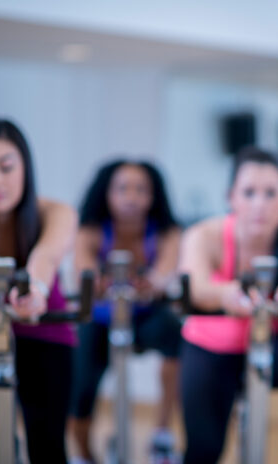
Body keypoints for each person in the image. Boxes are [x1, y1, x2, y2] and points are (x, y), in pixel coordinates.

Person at [179, 146, 278, 464]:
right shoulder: (203, 236)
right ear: (231, 197)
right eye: (249, 193)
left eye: (270, 193)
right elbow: (197, 286)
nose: (260, 204)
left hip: (277, 348)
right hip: (212, 349)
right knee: (203, 448)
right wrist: (227, 294)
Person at [0, 118, 78, 464]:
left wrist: (34, 289)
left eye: (6, 168)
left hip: (41, 322)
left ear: (25, 168)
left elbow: (46, 257)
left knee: (47, 440)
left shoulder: (57, 211)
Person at [68, 159, 183, 464]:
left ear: (153, 195)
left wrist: (153, 282)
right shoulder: (90, 229)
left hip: (146, 315)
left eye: (140, 190)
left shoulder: (166, 232)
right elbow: (82, 272)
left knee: (179, 341)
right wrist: (99, 282)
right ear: (107, 193)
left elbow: (166, 271)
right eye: (122, 189)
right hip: (100, 318)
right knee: (81, 385)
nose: (131, 197)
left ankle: (161, 432)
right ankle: (83, 452)